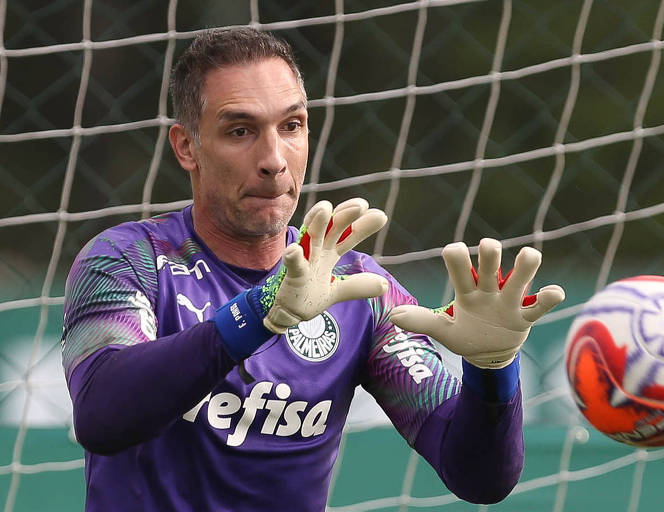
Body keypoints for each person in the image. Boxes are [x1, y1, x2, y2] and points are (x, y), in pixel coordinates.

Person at [61, 27, 565, 511]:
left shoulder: (360, 292)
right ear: (186, 146)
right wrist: (260, 312)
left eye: (291, 126)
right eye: (240, 131)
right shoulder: (127, 260)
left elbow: (479, 477)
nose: (274, 159)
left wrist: (493, 372)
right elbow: (103, 414)